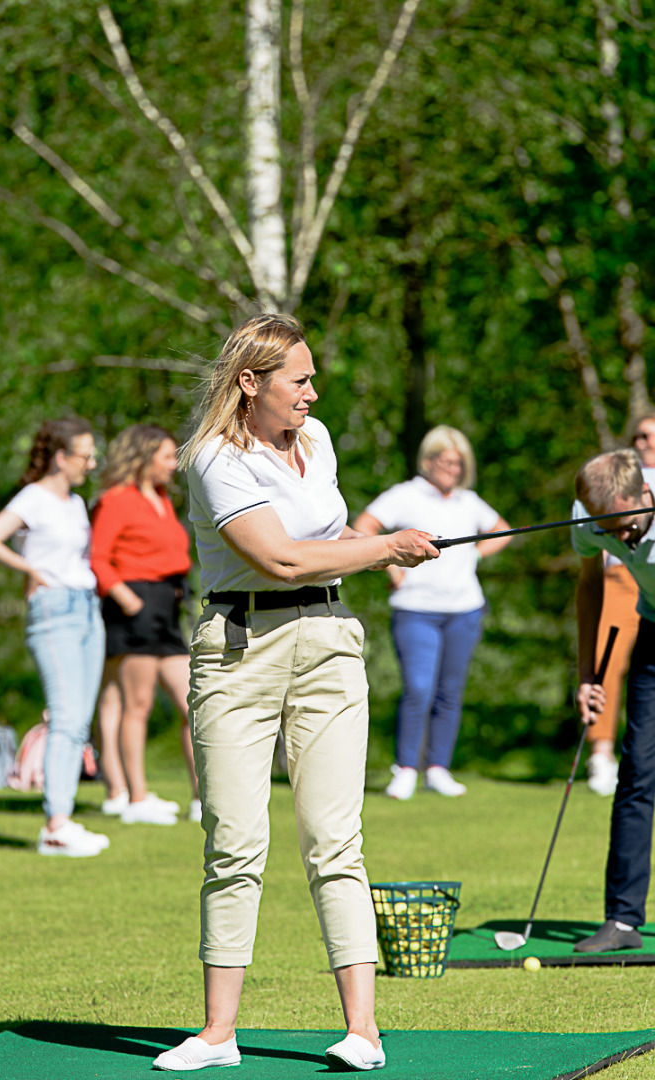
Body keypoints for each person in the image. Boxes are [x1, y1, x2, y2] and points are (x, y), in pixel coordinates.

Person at [151, 313, 440, 1074]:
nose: (314, 392)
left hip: (329, 642)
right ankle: (218, 1037)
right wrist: (388, 546)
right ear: (252, 384)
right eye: (299, 380)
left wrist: (373, 551)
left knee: (335, 840)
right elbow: (277, 558)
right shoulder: (214, 457)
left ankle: (363, 1034)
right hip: (238, 649)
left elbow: (327, 549)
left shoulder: (318, 443)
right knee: (236, 844)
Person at [0, 417, 109, 858]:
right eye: (85, 455)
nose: (91, 463)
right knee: (66, 719)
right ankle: (56, 826)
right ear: (61, 457)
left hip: (87, 608)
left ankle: (62, 821)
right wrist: (31, 570)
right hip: (54, 612)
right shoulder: (33, 498)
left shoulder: (76, 503)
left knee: (78, 721)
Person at [353, 426, 511, 800]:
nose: (453, 469)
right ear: (428, 461)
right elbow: (364, 526)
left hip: (464, 610)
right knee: (419, 689)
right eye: (446, 461)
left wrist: (475, 554)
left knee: (449, 692)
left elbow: (501, 530)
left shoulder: (468, 502)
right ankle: (406, 768)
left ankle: (438, 768)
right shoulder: (405, 495)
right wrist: (389, 564)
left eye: (459, 464)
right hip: (416, 610)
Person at [90, 424, 199, 826]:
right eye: (167, 457)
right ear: (143, 456)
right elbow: (98, 558)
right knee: (137, 706)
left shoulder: (164, 500)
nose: (174, 465)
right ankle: (136, 797)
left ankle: (201, 797)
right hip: (133, 606)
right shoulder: (117, 500)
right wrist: (128, 600)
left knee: (194, 702)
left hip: (167, 607)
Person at [571, 448, 655, 952]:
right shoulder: (593, 519)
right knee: (637, 771)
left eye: (626, 527)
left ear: (645, 493)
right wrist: (586, 674)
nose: (618, 539)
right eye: (608, 530)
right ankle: (623, 920)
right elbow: (589, 587)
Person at [585, 412, 655, 796]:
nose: (644, 441)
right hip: (619, 579)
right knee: (606, 663)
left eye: (651, 436)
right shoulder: (616, 478)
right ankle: (601, 754)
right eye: (639, 435)